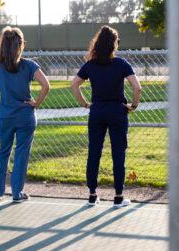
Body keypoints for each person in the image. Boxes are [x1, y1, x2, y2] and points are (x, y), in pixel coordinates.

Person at [71, 25, 141, 208]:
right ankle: (118, 197)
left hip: (97, 112)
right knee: (118, 154)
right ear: (113, 45)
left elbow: (74, 85)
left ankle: (92, 195)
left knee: (94, 153)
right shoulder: (121, 64)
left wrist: (86, 104)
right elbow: (137, 87)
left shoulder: (90, 65)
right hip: (117, 112)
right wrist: (133, 105)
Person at [0, 26, 50, 202]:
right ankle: (17, 193)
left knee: (3, 152)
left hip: (5, 117)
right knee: (21, 154)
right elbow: (46, 85)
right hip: (26, 117)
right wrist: (36, 103)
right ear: (20, 45)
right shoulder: (30, 65)